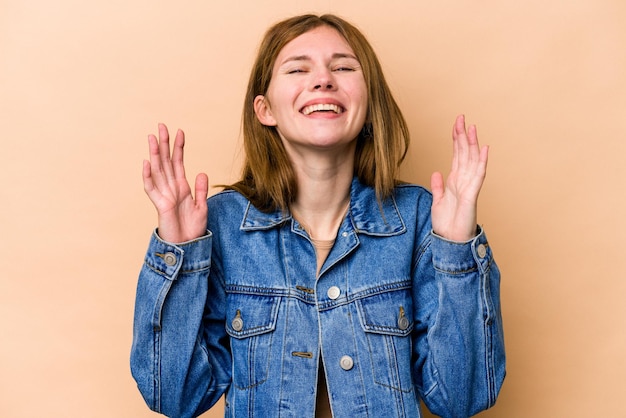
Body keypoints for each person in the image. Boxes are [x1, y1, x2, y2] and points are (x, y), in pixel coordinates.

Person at [131, 13, 505, 418]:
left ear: (368, 102)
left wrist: (457, 251)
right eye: (298, 69)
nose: (324, 79)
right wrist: (181, 255)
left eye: (343, 67)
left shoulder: (418, 219)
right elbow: (175, 396)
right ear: (265, 109)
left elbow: (462, 398)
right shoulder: (221, 226)